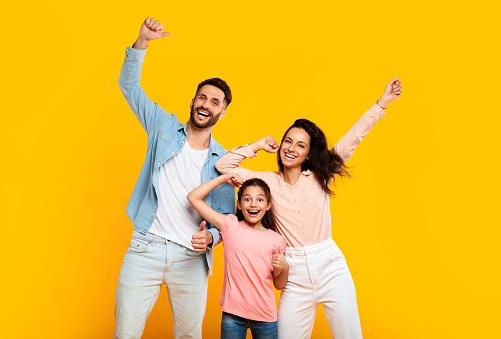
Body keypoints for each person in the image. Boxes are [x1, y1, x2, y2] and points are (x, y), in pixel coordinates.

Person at [215, 79, 402, 339]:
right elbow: (224, 166)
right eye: (288, 141)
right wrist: (255, 146)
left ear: (309, 152)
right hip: (294, 273)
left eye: (300, 145)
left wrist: (382, 103)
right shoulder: (267, 182)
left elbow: (352, 139)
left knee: (350, 335)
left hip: (330, 266)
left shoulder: (319, 175)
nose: (291, 149)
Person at [114, 17, 236, 339]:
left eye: (214, 102)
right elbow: (129, 87)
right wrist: (142, 42)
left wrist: (211, 237)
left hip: (191, 259)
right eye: (202, 97)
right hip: (145, 248)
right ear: (193, 100)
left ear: (221, 113)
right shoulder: (164, 127)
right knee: (125, 334)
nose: (205, 105)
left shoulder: (223, 161)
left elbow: (226, 218)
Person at [187, 174, 289, 339]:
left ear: (268, 205)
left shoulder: (277, 240)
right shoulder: (230, 225)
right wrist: (223, 179)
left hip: (265, 316)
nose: (253, 204)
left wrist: (284, 268)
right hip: (233, 315)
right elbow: (193, 198)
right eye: (247, 199)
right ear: (239, 205)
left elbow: (279, 284)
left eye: (260, 200)